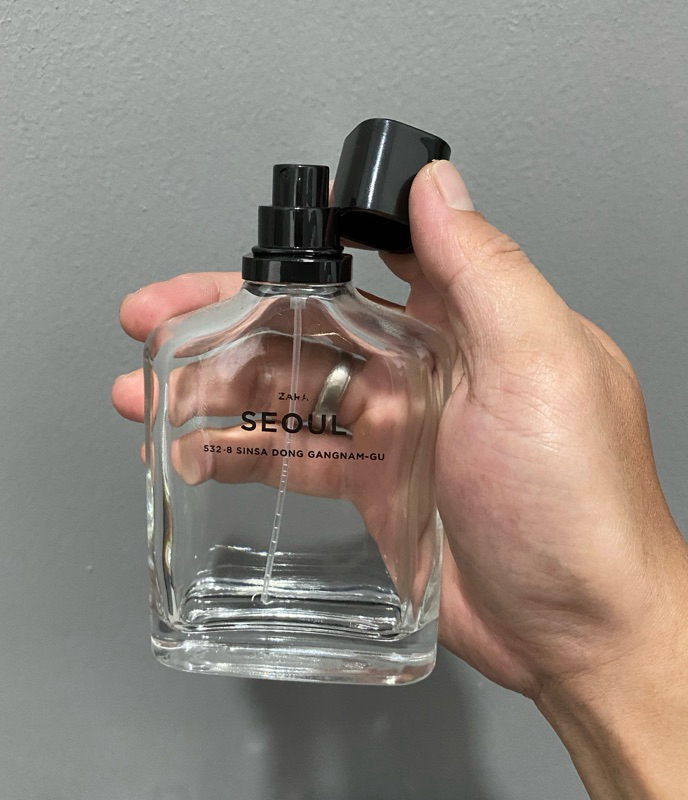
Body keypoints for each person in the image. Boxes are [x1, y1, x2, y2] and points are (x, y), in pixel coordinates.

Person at [112, 160, 688, 798]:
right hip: (207, 633)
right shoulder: (182, 345)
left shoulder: (418, 355)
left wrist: (601, 647)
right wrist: (611, 660)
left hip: (377, 637)